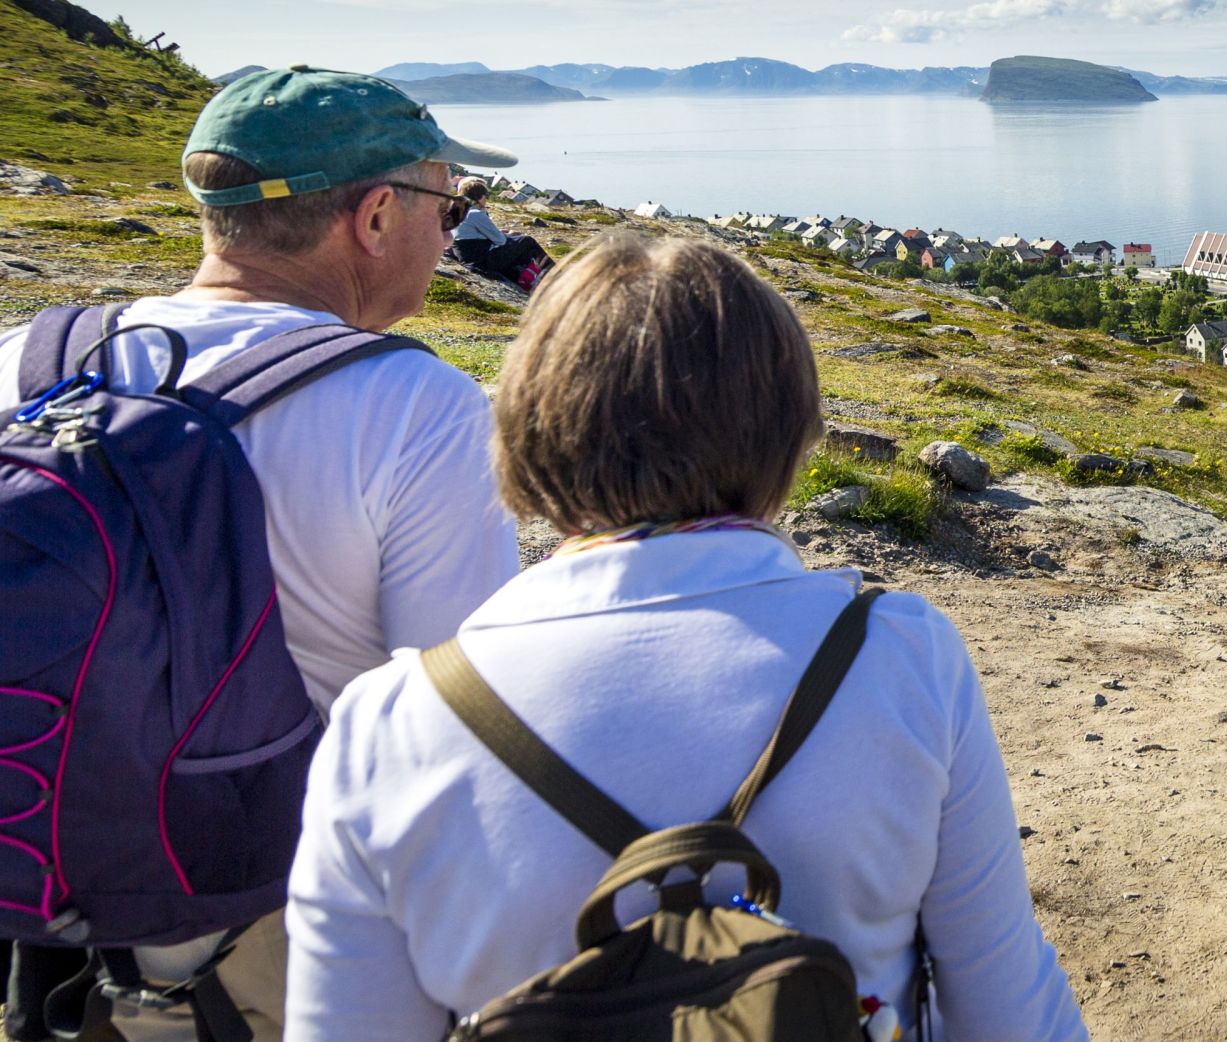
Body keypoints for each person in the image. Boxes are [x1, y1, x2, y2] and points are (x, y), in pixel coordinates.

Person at [284, 235, 1089, 1041]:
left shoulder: (389, 723)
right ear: (785, 428)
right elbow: (1006, 1003)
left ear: (529, 425)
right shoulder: (900, 657)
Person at [0, 66, 521, 1040]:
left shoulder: (21, 357)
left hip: (31, 894)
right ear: (373, 217)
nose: (452, 236)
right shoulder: (418, 411)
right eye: (450, 208)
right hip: (269, 934)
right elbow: (455, 734)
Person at [449, 176, 552, 290]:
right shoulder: (475, 213)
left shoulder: (457, 211)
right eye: (486, 196)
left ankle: (530, 279)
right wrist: (509, 234)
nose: (486, 199)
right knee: (526, 241)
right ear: (480, 197)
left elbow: (472, 235)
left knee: (514, 245)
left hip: (468, 258)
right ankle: (555, 273)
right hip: (481, 261)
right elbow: (500, 240)